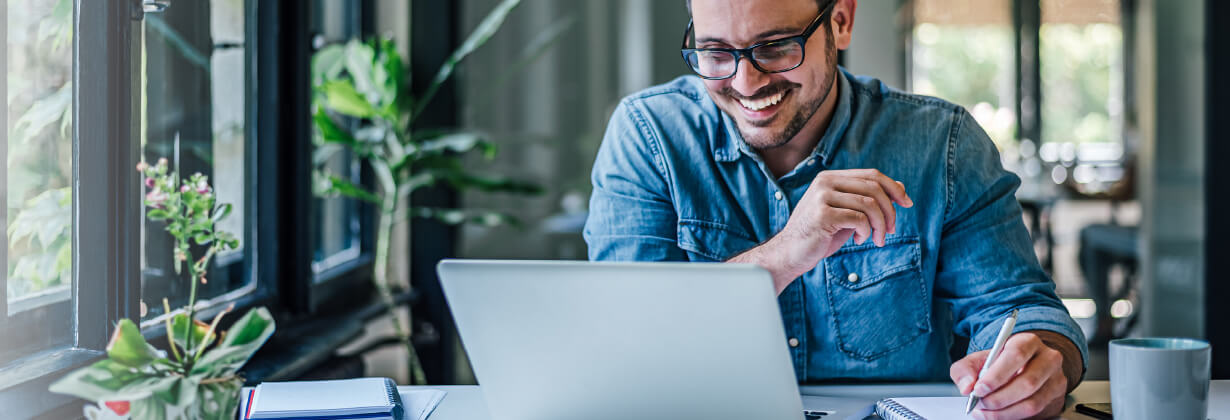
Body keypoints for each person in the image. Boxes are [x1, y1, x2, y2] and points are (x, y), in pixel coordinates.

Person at [582, 0, 1087, 419]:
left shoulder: (942, 145)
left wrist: (1040, 364)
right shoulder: (649, 137)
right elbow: (627, 343)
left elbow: (1022, 309)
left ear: (841, 21)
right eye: (715, 52)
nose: (746, 81)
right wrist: (783, 255)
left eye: (776, 47)